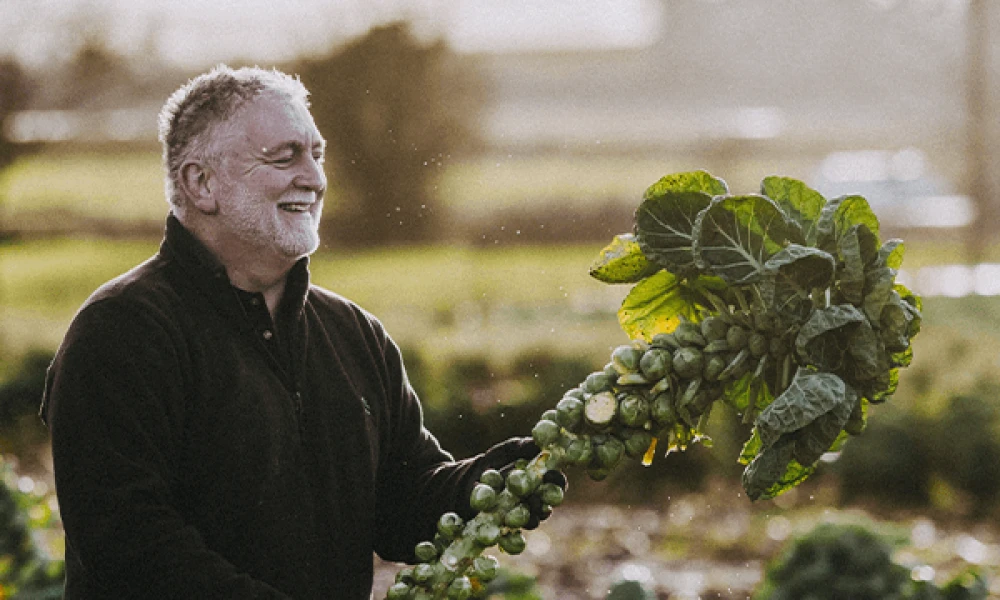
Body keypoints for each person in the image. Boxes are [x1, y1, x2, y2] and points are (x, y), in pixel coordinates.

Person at [41, 64, 561, 600]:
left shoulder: (355, 335)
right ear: (202, 183)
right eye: (284, 156)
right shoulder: (121, 332)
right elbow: (131, 548)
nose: (313, 178)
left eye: (317, 154)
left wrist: (490, 483)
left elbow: (402, 504)